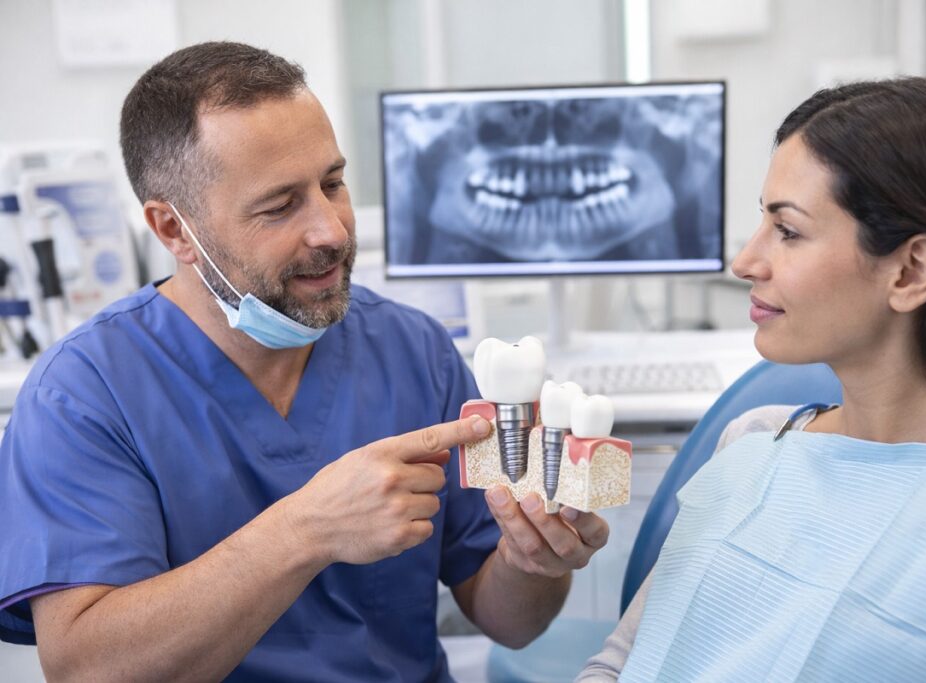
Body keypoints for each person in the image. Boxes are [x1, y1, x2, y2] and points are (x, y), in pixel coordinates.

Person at [0, 42, 609, 682]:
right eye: (280, 206)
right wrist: (306, 531)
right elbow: (87, 671)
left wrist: (532, 558)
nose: (333, 231)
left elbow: (512, 622)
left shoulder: (411, 349)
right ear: (174, 231)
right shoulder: (84, 394)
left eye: (333, 184)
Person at [577, 77, 926, 682]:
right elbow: (618, 666)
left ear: (911, 271)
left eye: (787, 231)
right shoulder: (756, 442)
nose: (746, 263)